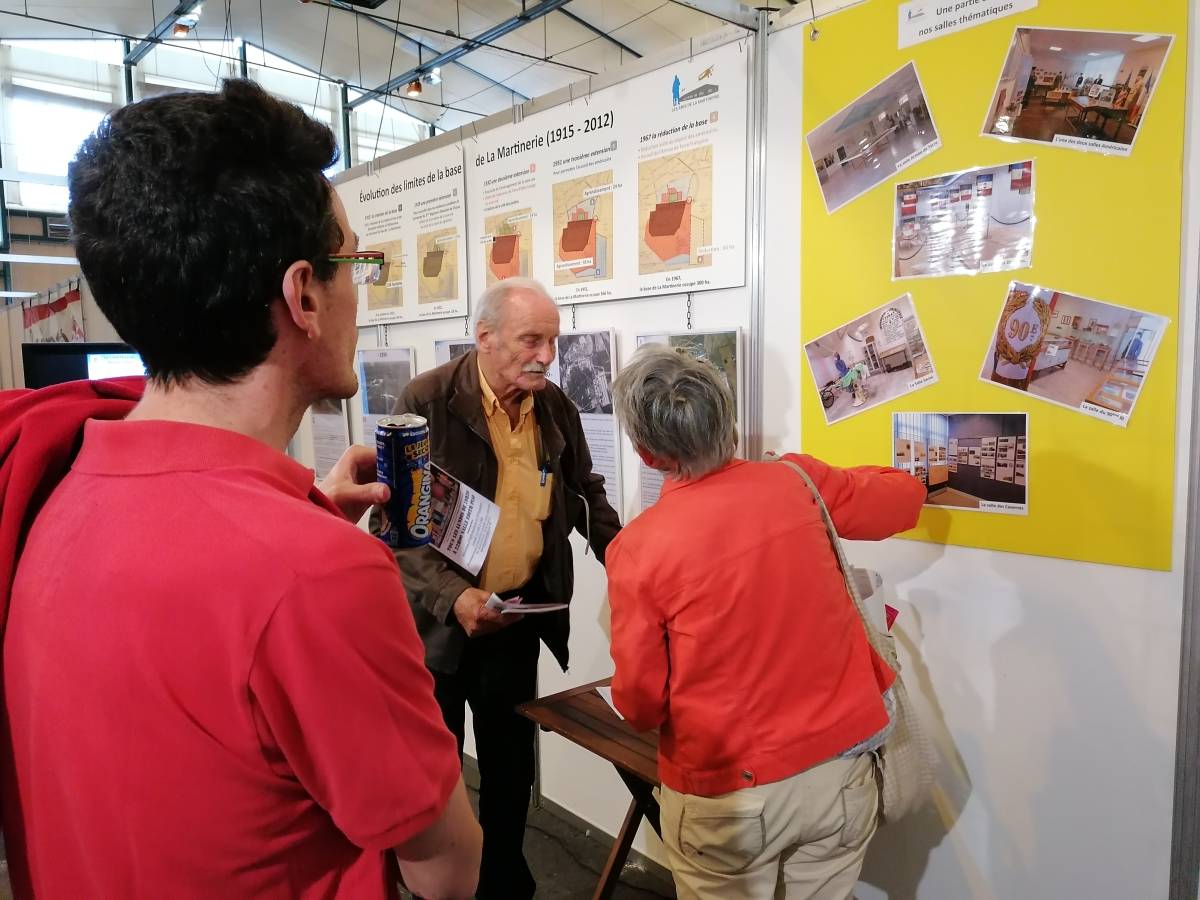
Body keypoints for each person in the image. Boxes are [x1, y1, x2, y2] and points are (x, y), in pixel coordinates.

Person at [0, 80, 481, 900]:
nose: (357, 293)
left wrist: (300, 523)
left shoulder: (48, 482)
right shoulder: (317, 578)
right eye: (354, 264)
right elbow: (448, 871)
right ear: (303, 295)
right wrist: (307, 559)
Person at [606, 346, 925, 900]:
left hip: (729, 793)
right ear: (726, 420)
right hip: (840, 772)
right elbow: (905, 499)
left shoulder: (638, 548)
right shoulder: (797, 481)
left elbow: (639, 706)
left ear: (646, 452)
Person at [382, 276, 621, 899]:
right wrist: (453, 596)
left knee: (511, 773)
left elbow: (585, 491)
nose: (547, 356)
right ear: (484, 337)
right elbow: (396, 528)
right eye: (531, 340)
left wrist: (629, 559)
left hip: (513, 618)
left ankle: (503, 885)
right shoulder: (426, 400)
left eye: (553, 341)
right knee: (436, 775)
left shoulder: (553, 406)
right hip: (436, 630)